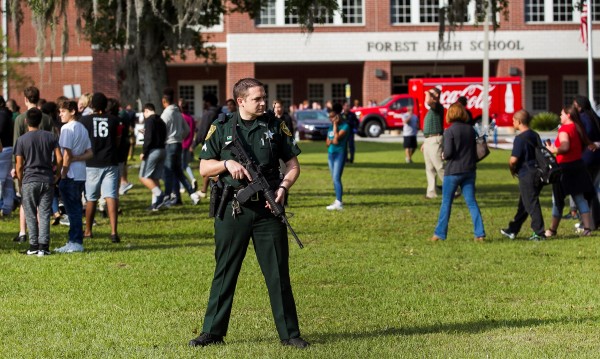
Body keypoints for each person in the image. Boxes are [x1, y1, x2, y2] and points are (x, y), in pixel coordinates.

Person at [190, 78, 308, 349]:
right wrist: (226, 163)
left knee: (278, 272)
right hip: (234, 209)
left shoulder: (275, 126)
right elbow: (204, 168)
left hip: (268, 211)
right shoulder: (221, 127)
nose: (263, 102)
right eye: (257, 98)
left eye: (264, 97)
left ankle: (289, 333)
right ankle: (212, 331)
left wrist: (283, 187)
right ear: (241, 101)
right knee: (225, 270)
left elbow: (292, 165)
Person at [430, 103, 485, 242]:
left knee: (446, 202)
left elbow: (448, 153)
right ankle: (479, 234)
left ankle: (439, 234)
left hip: (453, 171)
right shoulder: (471, 130)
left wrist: (443, 155)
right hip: (469, 170)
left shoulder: (449, 131)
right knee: (472, 202)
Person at [14, 108, 62, 256]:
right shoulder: (50, 136)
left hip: (29, 179)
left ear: (26, 121)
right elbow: (59, 158)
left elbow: (19, 165)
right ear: (41, 120)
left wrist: (21, 180)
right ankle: (44, 247)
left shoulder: (21, 140)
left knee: (30, 214)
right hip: (47, 179)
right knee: (44, 214)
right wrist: (58, 174)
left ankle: (33, 246)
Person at [12, 86, 56, 243]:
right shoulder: (47, 119)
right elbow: (54, 145)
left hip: (27, 167)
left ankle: (24, 232)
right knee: (43, 208)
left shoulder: (19, 119)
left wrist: (16, 170)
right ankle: (41, 240)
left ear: (25, 99)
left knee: (27, 201)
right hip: (46, 168)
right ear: (38, 98)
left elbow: (16, 146)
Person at [544, 104, 596, 237]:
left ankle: (552, 230)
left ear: (568, 115)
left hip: (564, 168)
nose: (559, 116)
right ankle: (587, 228)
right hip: (578, 166)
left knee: (557, 200)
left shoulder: (565, 129)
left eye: (561, 114)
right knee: (579, 198)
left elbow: (565, 146)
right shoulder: (578, 127)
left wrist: (552, 149)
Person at [79, 92, 122, 243]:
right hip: (110, 160)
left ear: (92, 105)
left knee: (91, 198)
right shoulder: (114, 120)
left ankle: (88, 230)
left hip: (92, 162)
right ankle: (113, 232)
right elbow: (117, 141)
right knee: (111, 196)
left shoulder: (85, 120)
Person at [500, 110, 546, 241]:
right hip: (538, 172)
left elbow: (513, 160)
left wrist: (512, 169)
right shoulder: (535, 135)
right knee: (524, 204)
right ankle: (513, 229)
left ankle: (539, 233)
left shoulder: (520, 138)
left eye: (514, 120)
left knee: (531, 203)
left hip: (527, 174)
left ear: (519, 122)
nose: (512, 122)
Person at [54, 100, 93, 253]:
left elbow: (67, 155)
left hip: (70, 174)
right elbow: (90, 152)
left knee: (73, 211)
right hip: (81, 173)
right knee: (76, 208)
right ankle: (74, 240)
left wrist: (62, 174)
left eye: (63, 111)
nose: (60, 114)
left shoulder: (67, 128)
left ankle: (75, 241)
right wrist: (77, 158)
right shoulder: (82, 128)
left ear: (72, 111)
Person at [161, 87, 200, 205]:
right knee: (178, 172)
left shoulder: (166, 113)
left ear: (164, 101)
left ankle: (167, 198)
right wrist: (179, 137)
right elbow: (187, 130)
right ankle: (193, 194)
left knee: (167, 173)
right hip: (178, 144)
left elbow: (162, 130)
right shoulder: (178, 113)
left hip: (169, 144)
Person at [573, 95, 600, 229]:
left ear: (579, 106)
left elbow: (586, 134)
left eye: (574, 104)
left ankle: (588, 222)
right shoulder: (594, 117)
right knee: (592, 190)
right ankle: (595, 220)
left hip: (587, 158)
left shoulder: (584, 119)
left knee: (586, 191)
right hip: (596, 158)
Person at [139, 103, 167, 211]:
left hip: (153, 151)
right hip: (162, 150)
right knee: (155, 178)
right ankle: (155, 205)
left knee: (143, 177)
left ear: (146, 111)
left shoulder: (149, 120)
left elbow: (149, 138)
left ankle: (160, 195)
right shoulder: (161, 121)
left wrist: (144, 152)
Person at [191, 93, 220, 199]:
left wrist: (194, 144)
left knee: (209, 168)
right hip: (219, 143)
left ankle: (218, 189)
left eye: (204, 102)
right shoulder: (219, 112)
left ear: (208, 102)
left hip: (209, 144)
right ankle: (204, 190)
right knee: (214, 167)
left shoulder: (208, 114)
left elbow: (202, 132)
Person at [421, 87, 445, 199]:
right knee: (430, 168)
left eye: (431, 94)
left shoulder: (437, 106)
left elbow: (428, 101)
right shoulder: (432, 109)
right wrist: (424, 143)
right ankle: (431, 193)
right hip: (429, 140)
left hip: (435, 140)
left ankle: (453, 189)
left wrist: (427, 92)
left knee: (439, 167)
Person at [325, 103, 349, 210]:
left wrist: (335, 125)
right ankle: (337, 200)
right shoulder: (330, 127)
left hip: (340, 154)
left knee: (336, 178)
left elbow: (335, 139)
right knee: (334, 178)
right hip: (331, 154)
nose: (331, 119)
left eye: (332, 117)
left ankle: (339, 202)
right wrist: (331, 140)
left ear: (337, 116)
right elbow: (327, 143)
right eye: (329, 117)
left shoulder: (345, 126)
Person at [177, 99, 197, 197]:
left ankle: (181, 187)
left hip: (181, 144)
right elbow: (193, 131)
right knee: (185, 164)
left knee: (180, 166)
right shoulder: (191, 118)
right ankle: (192, 178)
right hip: (188, 143)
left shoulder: (181, 117)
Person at [0, 96, 14, 217]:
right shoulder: (7, 114)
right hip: (8, 148)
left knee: (1, 180)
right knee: (8, 181)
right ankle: (7, 208)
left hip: (3, 150)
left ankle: (6, 207)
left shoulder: (2, 115)